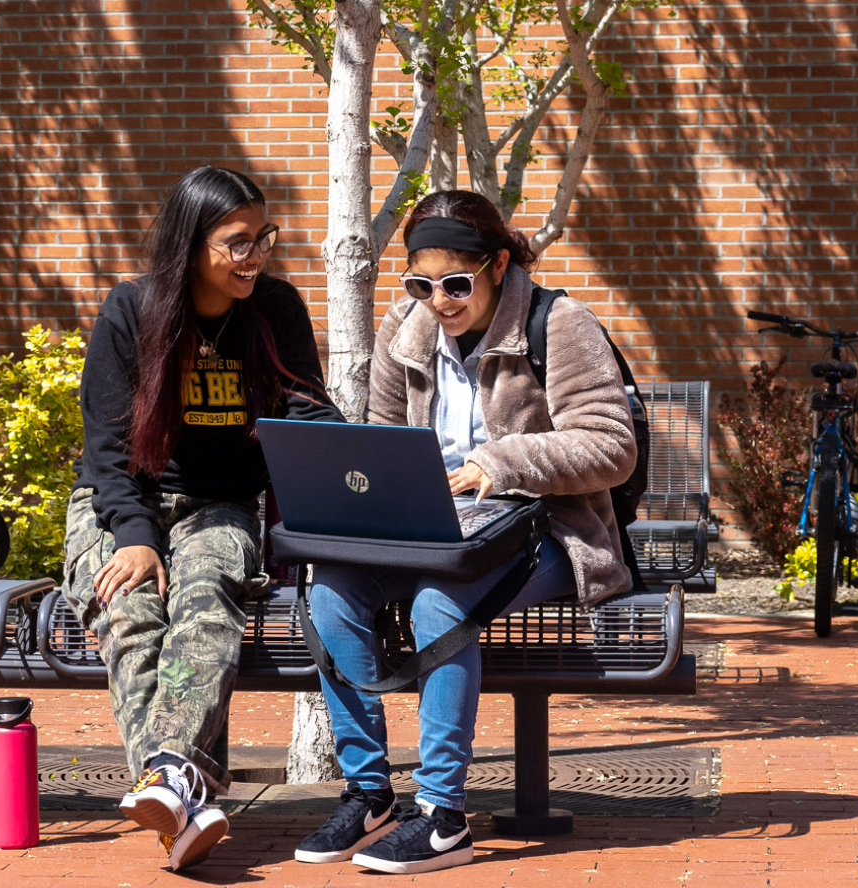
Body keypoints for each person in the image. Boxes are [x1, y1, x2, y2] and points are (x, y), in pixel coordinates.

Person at [294, 189, 637, 874]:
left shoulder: (559, 323)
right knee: (329, 592)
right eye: (422, 284)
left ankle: (443, 814)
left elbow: (611, 445)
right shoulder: (407, 326)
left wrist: (498, 462)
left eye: (456, 283)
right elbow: (389, 442)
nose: (439, 300)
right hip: (428, 527)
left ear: (499, 266)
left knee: (438, 605)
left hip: (543, 528)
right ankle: (368, 791)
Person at [63, 166, 341, 870]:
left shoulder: (274, 310)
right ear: (191, 245)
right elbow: (107, 446)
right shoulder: (132, 311)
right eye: (237, 242)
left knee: (207, 601)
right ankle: (183, 790)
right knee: (128, 611)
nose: (255, 257)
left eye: (263, 239)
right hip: (123, 500)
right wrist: (134, 538)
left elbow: (304, 404)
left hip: (218, 505)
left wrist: (330, 443)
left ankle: (168, 785)